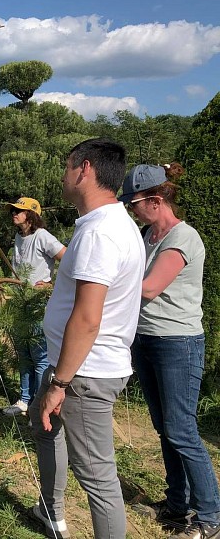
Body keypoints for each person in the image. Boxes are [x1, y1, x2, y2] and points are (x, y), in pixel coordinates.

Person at [30, 139, 144, 539]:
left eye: (67, 166)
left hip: (82, 372)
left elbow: (88, 317)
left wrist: (60, 382)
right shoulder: (109, 225)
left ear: (85, 169)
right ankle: (51, 509)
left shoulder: (101, 233)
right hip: (74, 365)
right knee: (44, 428)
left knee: (96, 475)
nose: (63, 176)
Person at [120, 164, 220, 539]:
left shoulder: (183, 238)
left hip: (178, 343)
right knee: (165, 428)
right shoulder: (148, 234)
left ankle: (210, 517)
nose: (131, 209)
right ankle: (178, 504)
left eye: (135, 203)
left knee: (182, 430)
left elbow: (148, 288)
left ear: (156, 200)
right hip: (147, 340)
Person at [2, 197, 66, 417]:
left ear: (31, 215)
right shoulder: (19, 238)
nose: (14, 213)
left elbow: (66, 257)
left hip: (37, 303)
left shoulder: (42, 237)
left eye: (19, 211)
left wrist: (51, 285)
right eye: (13, 210)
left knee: (40, 356)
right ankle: (24, 399)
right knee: (23, 353)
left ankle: (38, 404)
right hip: (20, 301)